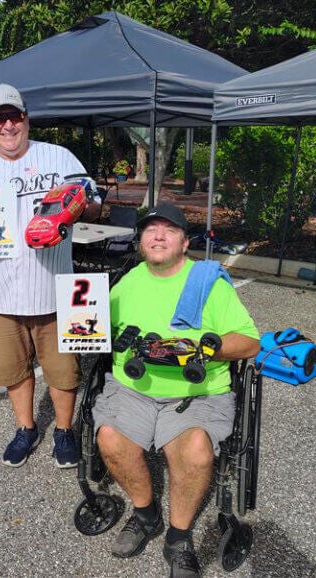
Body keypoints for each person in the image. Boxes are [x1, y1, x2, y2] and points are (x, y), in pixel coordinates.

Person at [92, 203, 260, 577]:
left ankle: (179, 537)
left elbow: (250, 342)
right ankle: (145, 514)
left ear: (184, 243)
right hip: (133, 388)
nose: (158, 236)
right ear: (141, 241)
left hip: (195, 393)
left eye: (169, 230)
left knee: (195, 449)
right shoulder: (128, 281)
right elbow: (94, 328)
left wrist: (204, 348)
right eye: (151, 230)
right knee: (110, 438)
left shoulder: (207, 283)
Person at [0, 83, 101, 468]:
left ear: (26, 119)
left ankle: (63, 431)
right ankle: (26, 428)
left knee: (63, 370)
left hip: (54, 290)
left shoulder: (59, 157)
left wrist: (74, 207)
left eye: (14, 116)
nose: (7, 125)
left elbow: (95, 204)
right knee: (12, 368)